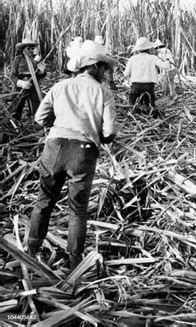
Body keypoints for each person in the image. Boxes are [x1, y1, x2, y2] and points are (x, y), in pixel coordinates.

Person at [28, 40, 117, 269]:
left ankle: (31, 250)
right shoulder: (103, 92)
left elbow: (40, 119)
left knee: (44, 201)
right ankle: (74, 260)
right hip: (83, 152)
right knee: (77, 209)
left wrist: (58, 124)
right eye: (103, 67)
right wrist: (101, 137)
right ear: (95, 66)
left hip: (54, 146)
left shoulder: (60, 86)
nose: (105, 72)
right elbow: (110, 132)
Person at [123, 37, 168, 115]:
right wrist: (167, 59)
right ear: (148, 48)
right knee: (150, 107)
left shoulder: (132, 59)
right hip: (149, 87)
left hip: (135, 86)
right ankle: (151, 117)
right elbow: (165, 66)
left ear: (138, 49)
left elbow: (126, 74)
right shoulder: (153, 58)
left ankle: (135, 119)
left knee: (132, 106)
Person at [10, 39, 47, 121]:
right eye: (28, 48)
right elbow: (12, 75)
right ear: (23, 49)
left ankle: (34, 119)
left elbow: (40, 76)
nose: (31, 50)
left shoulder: (36, 60)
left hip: (33, 85)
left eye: (32, 49)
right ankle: (15, 120)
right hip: (21, 86)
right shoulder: (18, 59)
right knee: (16, 107)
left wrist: (42, 71)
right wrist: (21, 83)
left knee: (35, 108)